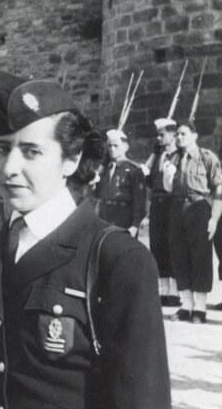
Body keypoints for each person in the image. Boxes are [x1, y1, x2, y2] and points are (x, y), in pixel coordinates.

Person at [0, 71, 171, 409]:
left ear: (71, 161)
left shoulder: (116, 259)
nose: (9, 168)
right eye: (3, 149)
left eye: (32, 152)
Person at [162, 121, 222, 324]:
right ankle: (186, 305)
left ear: (194, 136)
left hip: (199, 209)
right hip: (177, 209)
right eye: (177, 134)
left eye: (183, 133)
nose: (179, 137)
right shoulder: (173, 158)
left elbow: (218, 190)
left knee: (200, 257)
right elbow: (169, 188)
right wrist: (167, 177)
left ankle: (200, 307)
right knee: (179, 255)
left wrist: (214, 218)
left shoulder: (207, 158)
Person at [145, 118, 180, 306]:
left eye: (162, 134)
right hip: (157, 204)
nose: (159, 138)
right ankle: (163, 289)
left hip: (172, 203)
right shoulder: (159, 156)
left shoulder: (179, 156)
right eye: (158, 135)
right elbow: (151, 182)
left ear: (173, 134)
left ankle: (175, 291)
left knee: (172, 244)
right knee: (157, 244)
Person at [94, 129, 146, 236]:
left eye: (116, 146)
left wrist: (135, 225)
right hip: (105, 217)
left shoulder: (133, 170)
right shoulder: (105, 170)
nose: (112, 149)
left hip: (123, 218)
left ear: (125, 147)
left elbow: (139, 201)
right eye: (109, 146)